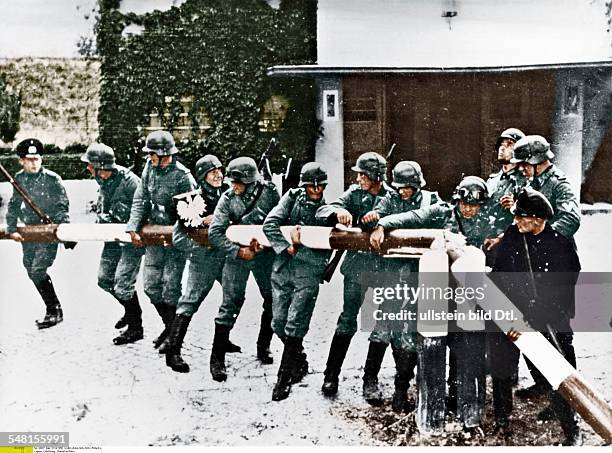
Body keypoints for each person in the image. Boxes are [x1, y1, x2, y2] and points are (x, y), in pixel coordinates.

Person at [370, 176, 490, 429]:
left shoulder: (486, 221)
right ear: (456, 200)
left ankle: (457, 399)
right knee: (421, 343)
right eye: (464, 203)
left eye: (474, 205)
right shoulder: (442, 212)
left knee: (462, 346)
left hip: (466, 296)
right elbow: (412, 217)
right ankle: (408, 392)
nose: (468, 209)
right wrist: (381, 224)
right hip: (435, 290)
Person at [489, 187, 581, 445]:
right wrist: (508, 316)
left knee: (559, 370)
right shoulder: (512, 235)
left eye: (521, 217)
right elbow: (498, 276)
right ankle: (502, 419)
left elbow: (565, 289)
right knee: (501, 365)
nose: (515, 221)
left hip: (548, 316)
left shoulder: (561, 245)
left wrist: (535, 317)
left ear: (538, 219)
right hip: (513, 314)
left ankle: (569, 426)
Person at [361, 161, 440, 411]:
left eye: (408, 188)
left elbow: (422, 216)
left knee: (410, 333)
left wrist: (386, 223)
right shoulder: (389, 199)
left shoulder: (431, 200)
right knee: (384, 325)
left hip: (420, 275)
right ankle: (370, 379)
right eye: (400, 187)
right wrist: (372, 221)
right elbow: (370, 222)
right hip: (393, 273)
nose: (403, 192)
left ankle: (401, 387)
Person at [509, 134, 581, 401]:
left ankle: (568, 394)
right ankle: (543, 382)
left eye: (524, 164)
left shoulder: (559, 184)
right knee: (532, 322)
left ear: (538, 162)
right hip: (533, 265)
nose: (521, 169)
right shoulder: (532, 182)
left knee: (558, 328)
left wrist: (544, 239)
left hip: (557, 265)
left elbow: (572, 218)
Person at [315, 151, 392, 397]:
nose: (358, 178)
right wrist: (338, 212)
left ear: (375, 176)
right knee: (347, 320)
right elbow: (326, 208)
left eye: (363, 174)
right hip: (357, 267)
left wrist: (380, 222)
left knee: (383, 323)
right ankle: (331, 375)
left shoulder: (391, 197)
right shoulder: (354, 194)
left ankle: (371, 379)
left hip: (384, 269)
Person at [157, 154, 239, 372]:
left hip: (226, 257)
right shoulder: (191, 201)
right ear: (202, 177)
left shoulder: (231, 196)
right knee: (190, 301)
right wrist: (203, 241)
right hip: (204, 259)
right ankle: (173, 352)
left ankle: (220, 349)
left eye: (220, 171)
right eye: (212, 172)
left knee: (233, 298)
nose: (218, 175)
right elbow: (180, 238)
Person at [263, 162, 331, 401]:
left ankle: (283, 378)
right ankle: (298, 359)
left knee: (295, 323)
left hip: (308, 271)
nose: (315, 190)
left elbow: (330, 243)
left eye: (320, 186)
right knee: (278, 322)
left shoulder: (327, 210)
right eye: (311, 186)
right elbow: (270, 224)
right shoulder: (291, 199)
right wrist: (287, 246)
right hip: (283, 267)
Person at [208, 156, 280, 382]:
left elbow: (279, 220)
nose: (233, 186)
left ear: (252, 182)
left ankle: (264, 345)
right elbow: (215, 233)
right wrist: (239, 252)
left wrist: (267, 244)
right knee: (230, 303)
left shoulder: (269, 193)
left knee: (272, 298)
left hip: (264, 256)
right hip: (237, 256)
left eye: (238, 183)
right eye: (232, 182)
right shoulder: (227, 199)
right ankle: (217, 358)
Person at [126, 130, 196, 357]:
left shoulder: (183, 176)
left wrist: (182, 234)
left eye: (152, 154)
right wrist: (133, 227)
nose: (149, 158)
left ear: (164, 153)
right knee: (151, 287)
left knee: (170, 288)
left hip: (175, 239)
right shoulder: (149, 169)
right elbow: (140, 198)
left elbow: (192, 211)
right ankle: (169, 328)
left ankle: (173, 336)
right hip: (155, 235)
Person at [81, 143, 144, 345]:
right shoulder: (102, 180)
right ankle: (130, 310)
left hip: (130, 242)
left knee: (123, 285)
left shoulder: (130, 182)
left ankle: (136, 326)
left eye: (90, 165)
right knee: (104, 280)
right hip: (112, 240)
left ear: (100, 166)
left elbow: (144, 209)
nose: (88, 169)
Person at [6, 138, 70, 329]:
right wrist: (11, 229)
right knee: (30, 268)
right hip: (30, 232)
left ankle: (54, 310)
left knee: (38, 270)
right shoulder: (19, 178)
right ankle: (52, 308)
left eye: (37, 159)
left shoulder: (52, 179)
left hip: (49, 232)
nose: (34, 163)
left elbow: (62, 206)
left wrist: (63, 230)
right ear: (21, 161)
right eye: (29, 159)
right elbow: (13, 205)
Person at [484, 127, 526, 264]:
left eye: (509, 144)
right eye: (501, 145)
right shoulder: (491, 181)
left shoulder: (526, 180)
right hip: (489, 241)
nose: (502, 148)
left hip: (514, 244)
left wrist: (516, 206)